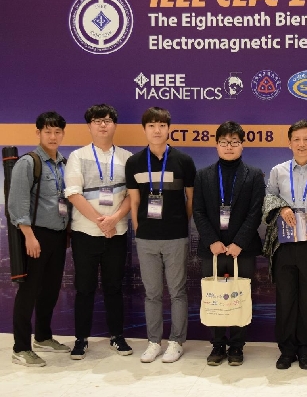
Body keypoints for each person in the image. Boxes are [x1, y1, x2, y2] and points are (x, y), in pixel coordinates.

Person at [262, 120, 307, 370]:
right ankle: (286, 350)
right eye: (297, 139)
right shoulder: (278, 171)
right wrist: (282, 208)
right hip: (284, 242)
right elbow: (269, 198)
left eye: (306, 139)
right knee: (285, 297)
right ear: (289, 143)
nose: (301, 144)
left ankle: (306, 350)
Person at [125, 107, 196, 363]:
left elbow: (190, 199)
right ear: (144, 129)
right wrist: (139, 229)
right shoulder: (134, 162)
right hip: (146, 238)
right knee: (152, 293)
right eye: (152, 125)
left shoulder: (183, 161)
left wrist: (179, 224)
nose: (157, 130)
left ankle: (176, 341)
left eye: (162, 125)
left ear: (169, 129)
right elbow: (134, 202)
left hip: (176, 237)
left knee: (177, 292)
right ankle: (154, 341)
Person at [193, 121, 265, 366]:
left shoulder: (254, 175)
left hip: (241, 249)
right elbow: (198, 211)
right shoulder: (203, 175)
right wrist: (212, 240)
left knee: (238, 295)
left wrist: (238, 243)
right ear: (216, 145)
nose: (229, 146)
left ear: (242, 145)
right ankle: (217, 345)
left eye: (234, 142)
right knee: (213, 296)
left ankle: (236, 345)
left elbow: (255, 213)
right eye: (224, 142)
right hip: (212, 249)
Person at [64, 104, 133, 360]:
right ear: (89, 126)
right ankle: (81, 339)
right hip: (85, 233)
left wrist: (113, 219)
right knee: (84, 288)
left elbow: (132, 195)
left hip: (117, 232)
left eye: (107, 120)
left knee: (114, 287)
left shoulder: (127, 157)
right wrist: (101, 222)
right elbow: (73, 194)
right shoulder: (77, 156)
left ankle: (117, 336)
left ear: (115, 125)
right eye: (97, 120)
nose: (102, 125)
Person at [8, 112, 70, 366]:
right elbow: (17, 203)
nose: (53, 136)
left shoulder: (64, 164)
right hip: (36, 235)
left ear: (63, 134)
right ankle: (21, 348)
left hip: (58, 235)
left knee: (51, 290)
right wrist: (29, 236)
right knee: (29, 291)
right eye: (48, 132)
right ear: (38, 133)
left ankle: (43, 336)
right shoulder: (28, 163)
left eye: (57, 132)